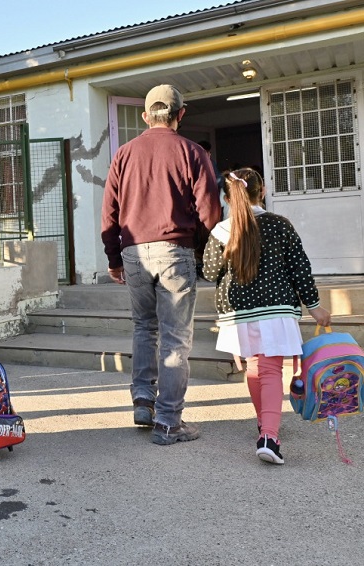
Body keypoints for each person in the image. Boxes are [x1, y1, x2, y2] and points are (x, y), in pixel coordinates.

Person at [100, 84, 221, 446]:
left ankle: (142, 402)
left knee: (143, 328)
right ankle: (168, 421)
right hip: (174, 250)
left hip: (133, 252)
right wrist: (202, 244)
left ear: (145, 116)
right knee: (175, 338)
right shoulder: (192, 152)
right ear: (180, 114)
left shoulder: (124, 153)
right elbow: (211, 214)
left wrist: (113, 258)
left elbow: (110, 212)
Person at [202, 168, 330, 464]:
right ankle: (269, 436)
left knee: (254, 367)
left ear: (227, 198)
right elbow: (300, 269)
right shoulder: (280, 225)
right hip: (276, 310)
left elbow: (209, 273)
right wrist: (314, 306)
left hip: (239, 311)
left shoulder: (222, 231)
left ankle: (265, 423)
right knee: (270, 370)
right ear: (262, 192)